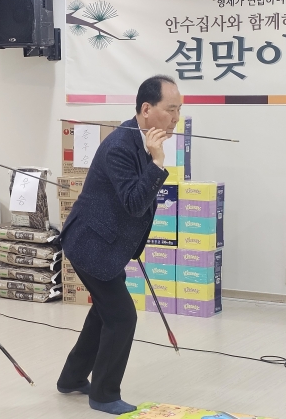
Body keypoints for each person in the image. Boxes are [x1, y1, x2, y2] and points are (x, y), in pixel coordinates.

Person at [57, 75, 180, 415]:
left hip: (107, 244)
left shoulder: (140, 140)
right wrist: (158, 163)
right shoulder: (120, 147)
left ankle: (71, 378)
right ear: (146, 109)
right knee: (122, 316)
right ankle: (104, 394)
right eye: (170, 109)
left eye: (179, 110)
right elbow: (135, 203)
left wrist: (154, 158)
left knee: (105, 312)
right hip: (90, 244)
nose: (175, 118)